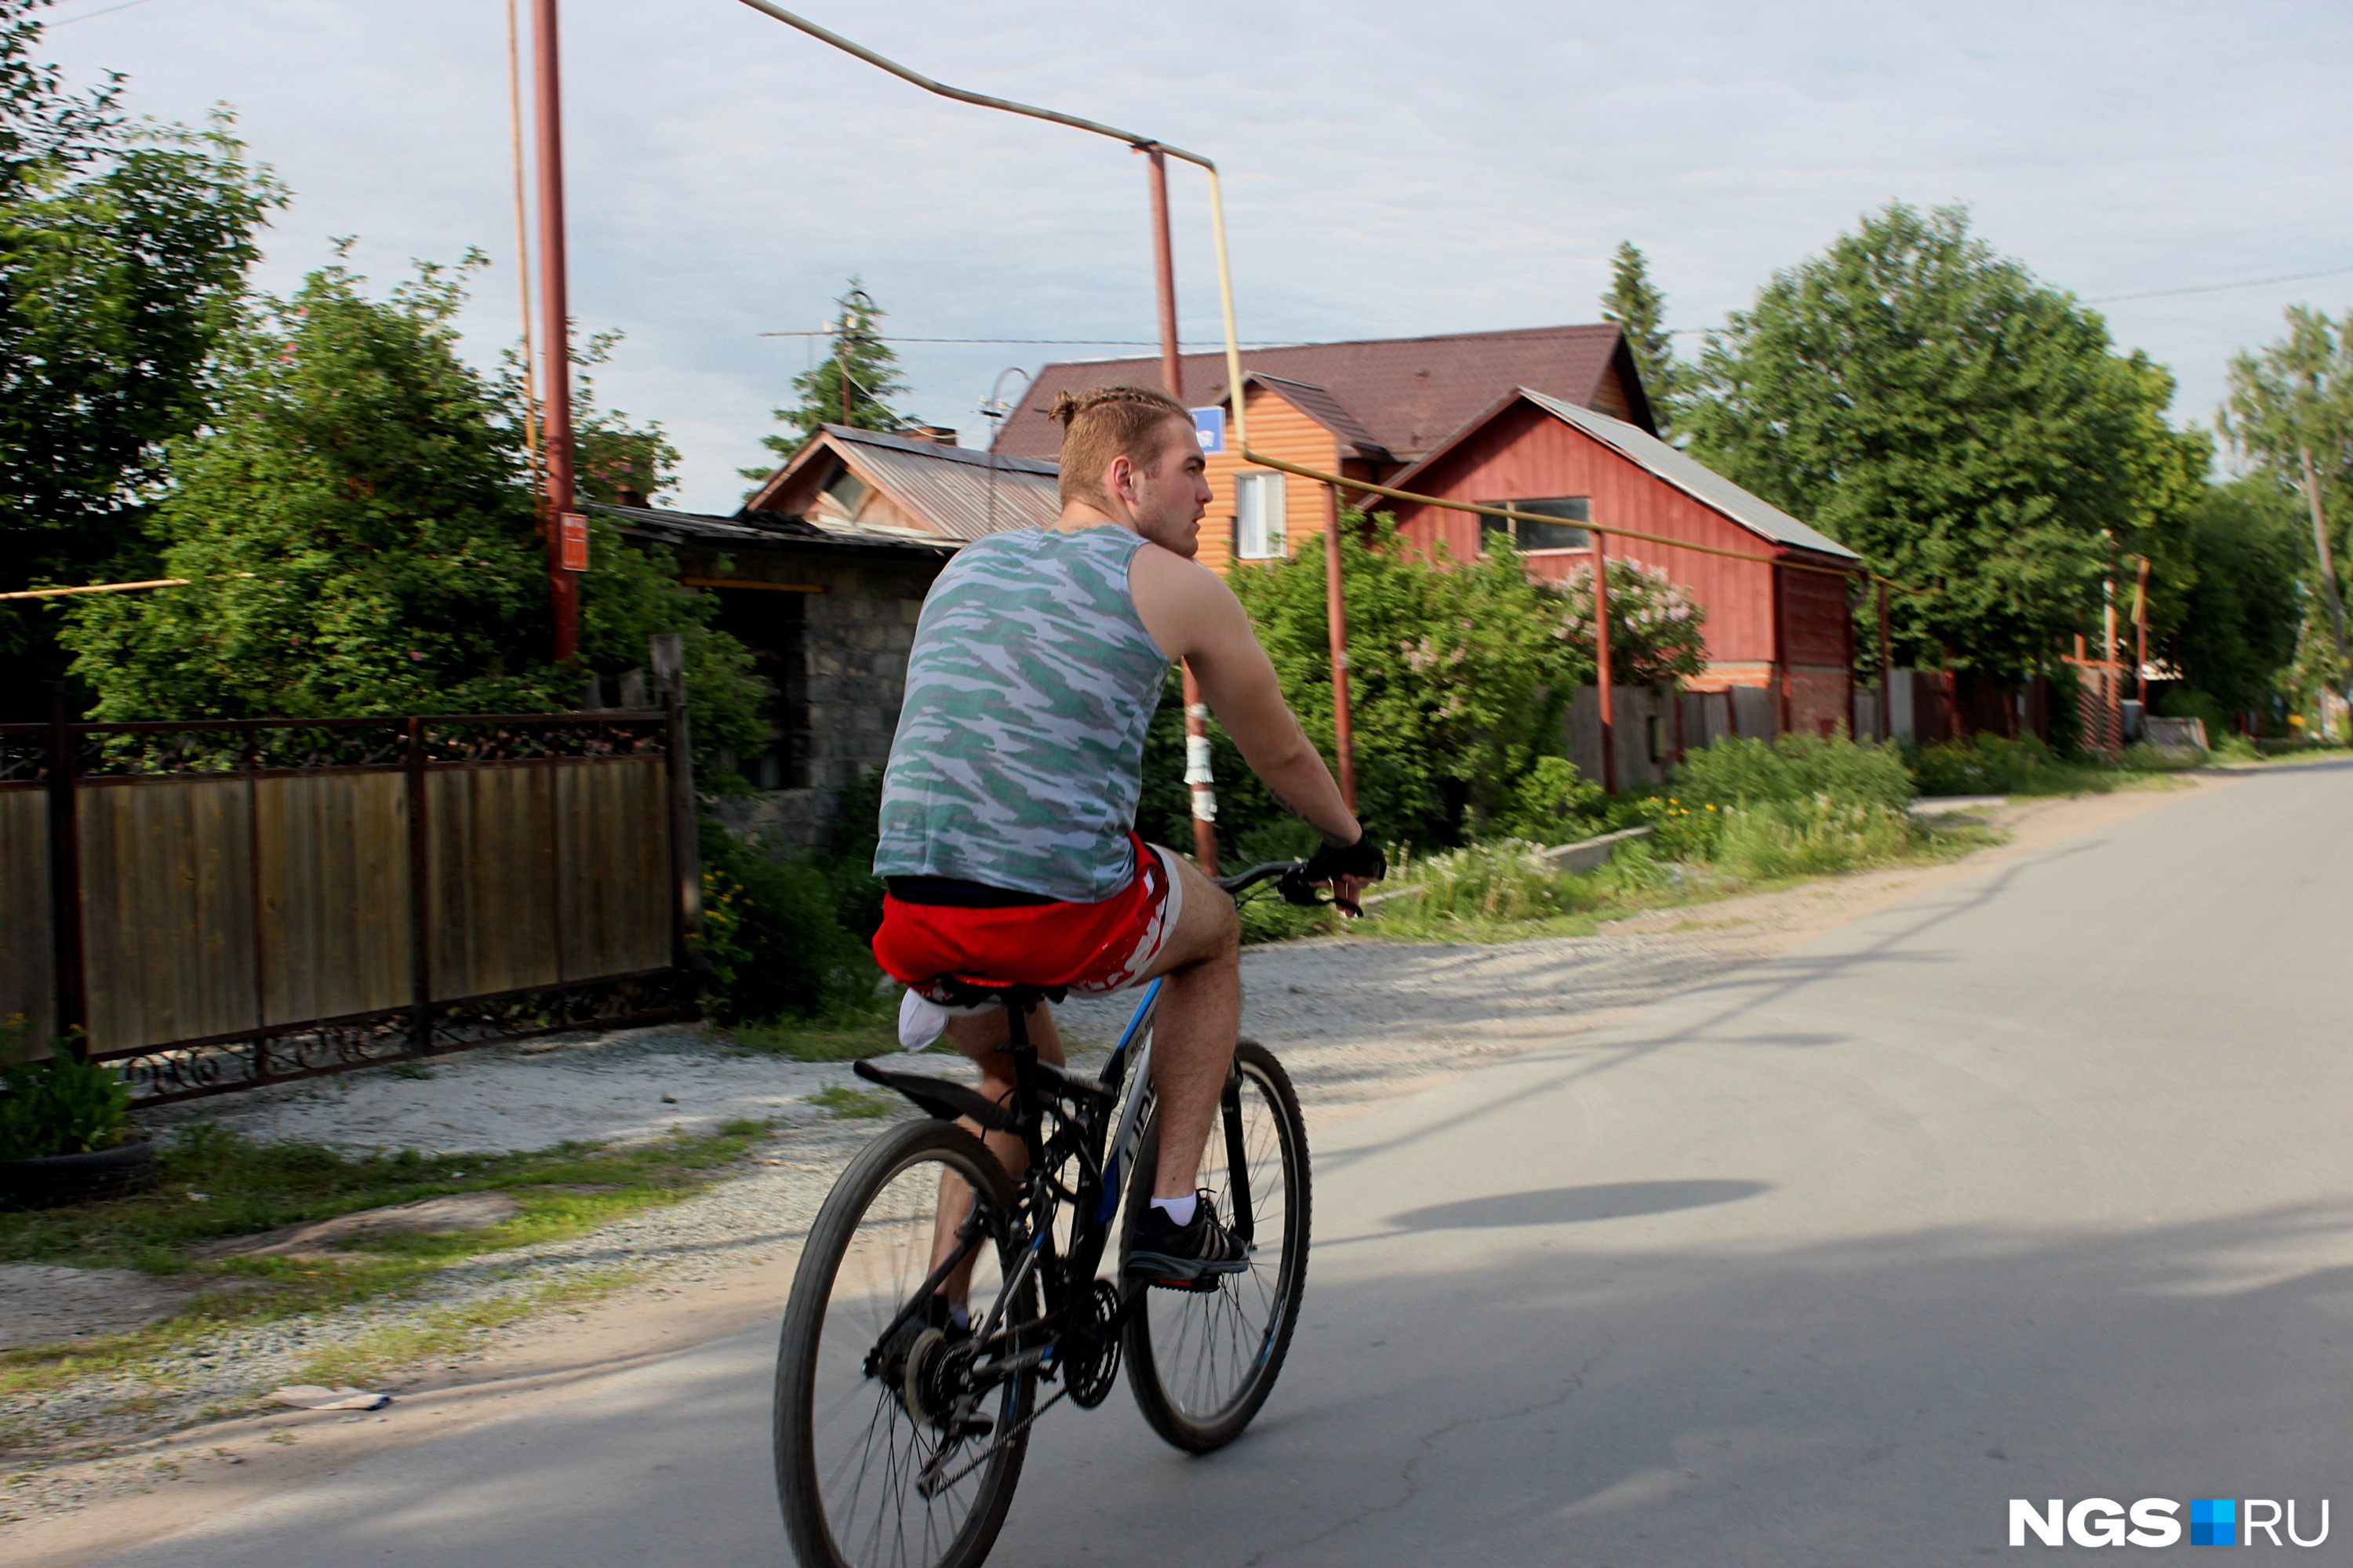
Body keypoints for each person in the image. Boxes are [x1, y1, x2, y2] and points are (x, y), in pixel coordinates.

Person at [869, 383, 1383, 1289]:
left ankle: (940, 1325)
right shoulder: (1176, 585)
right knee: (1215, 925)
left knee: (1016, 1078)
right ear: (1125, 477)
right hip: (1053, 911)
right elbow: (1283, 753)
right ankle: (1172, 1212)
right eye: (1192, 470)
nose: (1208, 495)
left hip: (914, 911)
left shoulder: (966, 566)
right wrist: (1350, 839)